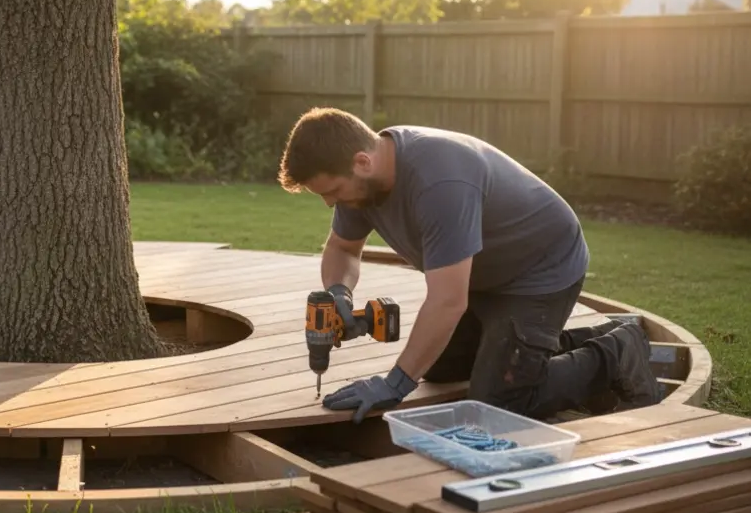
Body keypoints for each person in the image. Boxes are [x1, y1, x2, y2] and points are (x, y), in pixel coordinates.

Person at [276, 107, 661, 424]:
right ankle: (533, 349)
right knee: (441, 369)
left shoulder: (439, 183)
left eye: (332, 192)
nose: (330, 203)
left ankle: (618, 352)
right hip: (482, 273)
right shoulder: (365, 182)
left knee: (499, 405)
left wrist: (394, 385)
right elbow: (342, 248)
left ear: (361, 162)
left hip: (539, 272)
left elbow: (447, 302)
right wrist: (339, 291)